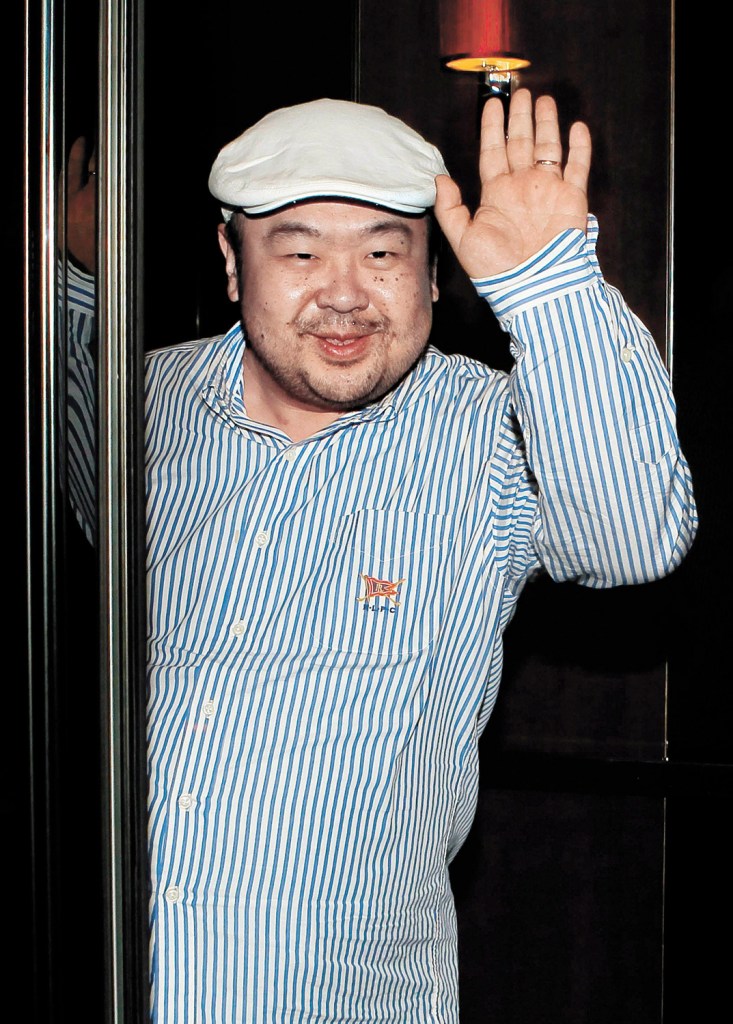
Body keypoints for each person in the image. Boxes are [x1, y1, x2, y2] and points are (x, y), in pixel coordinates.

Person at [65, 89, 697, 1023]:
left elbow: (633, 537)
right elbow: (73, 480)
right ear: (232, 266)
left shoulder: (489, 432)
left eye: (382, 252)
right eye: (299, 251)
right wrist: (80, 277)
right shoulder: (150, 397)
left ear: (434, 275)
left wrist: (548, 285)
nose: (344, 294)